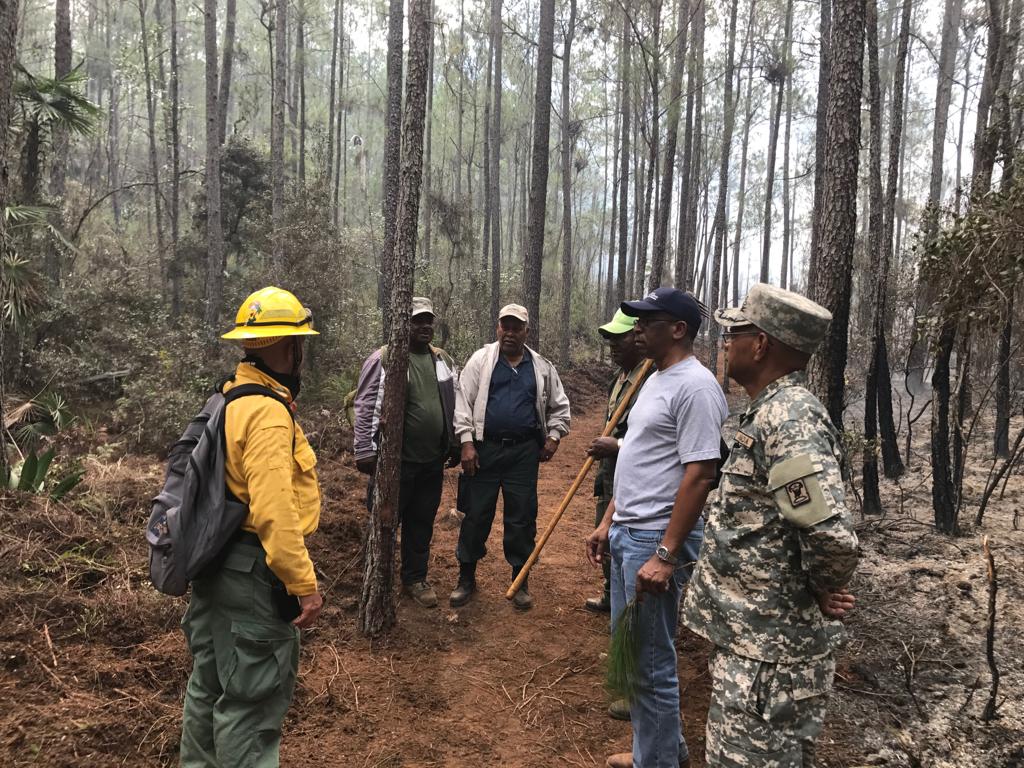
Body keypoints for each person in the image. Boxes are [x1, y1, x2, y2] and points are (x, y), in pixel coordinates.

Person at [681, 283, 859, 767]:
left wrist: (826, 585)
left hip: (773, 655)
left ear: (760, 344)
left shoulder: (789, 419)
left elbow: (825, 531)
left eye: (734, 332)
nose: (725, 342)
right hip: (756, 645)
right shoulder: (770, 413)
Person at [180, 286, 323, 767]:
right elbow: (274, 512)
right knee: (251, 702)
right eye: (300, 344)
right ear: (290, 348)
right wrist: (303, 584)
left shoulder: (228, 399)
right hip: (253, 576)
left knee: (208, 687)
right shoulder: (265, 412)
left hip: (216, 566)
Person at [587, 287, 729, 768]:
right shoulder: (654, 377)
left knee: (650, 665)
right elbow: (643, 457)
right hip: (631, 531)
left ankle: (660, 762)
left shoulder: (696, 386)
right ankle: (658, 751)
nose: (639, 329)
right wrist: (609, 520)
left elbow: (701, 474)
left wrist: (665, 554)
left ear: (679, 329)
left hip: (656, 539)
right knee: (636, 657)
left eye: (649, 321)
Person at [451, 303, 571, 610]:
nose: (510, 332)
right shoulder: (481, 360)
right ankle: (466, 578)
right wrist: (466, 443)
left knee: (522, 516)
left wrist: (554, 437)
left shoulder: (541, 367)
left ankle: (520, 580)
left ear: (526, 331)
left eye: (517, 327)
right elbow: (463, 403)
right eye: (505, 326)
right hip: (485, 450)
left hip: (523, 453)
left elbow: (560, 406)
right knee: (476, 514)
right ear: (498, 328)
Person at [353, 297, 459, 608]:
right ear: (404, 324)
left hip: (431, 461)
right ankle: (377, 578)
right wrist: (364, 449)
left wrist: (453, 440)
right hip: (394, 462)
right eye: (417, 320)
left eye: (429, 320)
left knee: (421, 521)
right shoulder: (385, 358)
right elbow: (365, 403)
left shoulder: (441, 359)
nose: (425, 326)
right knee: (385, 521)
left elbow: (453, 400)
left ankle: (415, 578)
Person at [584, 309, 653, 615]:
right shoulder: (620, 377)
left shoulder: (651, 379)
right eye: (608, 339)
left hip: (638, 477)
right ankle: (610, 595)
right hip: (612, 473)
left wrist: (618, 445)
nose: (612, 345)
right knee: (605, 534)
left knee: (623, 537)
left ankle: (627, 604)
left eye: (619, 338)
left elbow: (652, 439)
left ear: (637, 338)